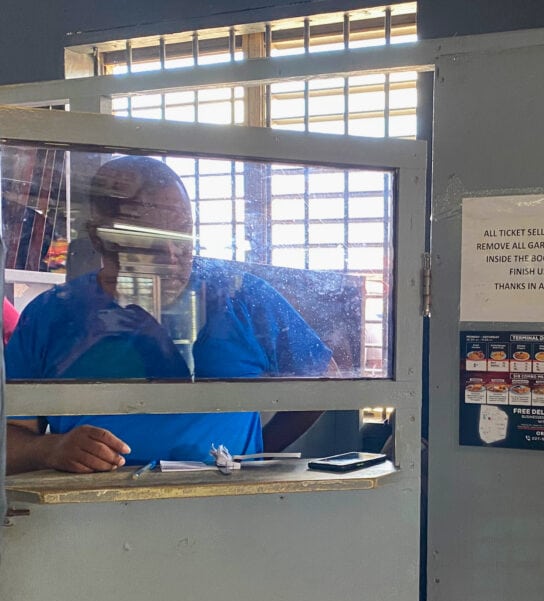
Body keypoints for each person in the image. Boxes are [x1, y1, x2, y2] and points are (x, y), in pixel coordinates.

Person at [5, 155, 335, 474]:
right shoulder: (53, 314)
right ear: (101, 239)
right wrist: (47, 450)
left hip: (226, 509)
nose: (174, 255)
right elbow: (10, 436)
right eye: (151, 240)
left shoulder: (242, 297)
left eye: (183, 232)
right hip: (92, 513)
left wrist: (257, 455)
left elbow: (325, 380)